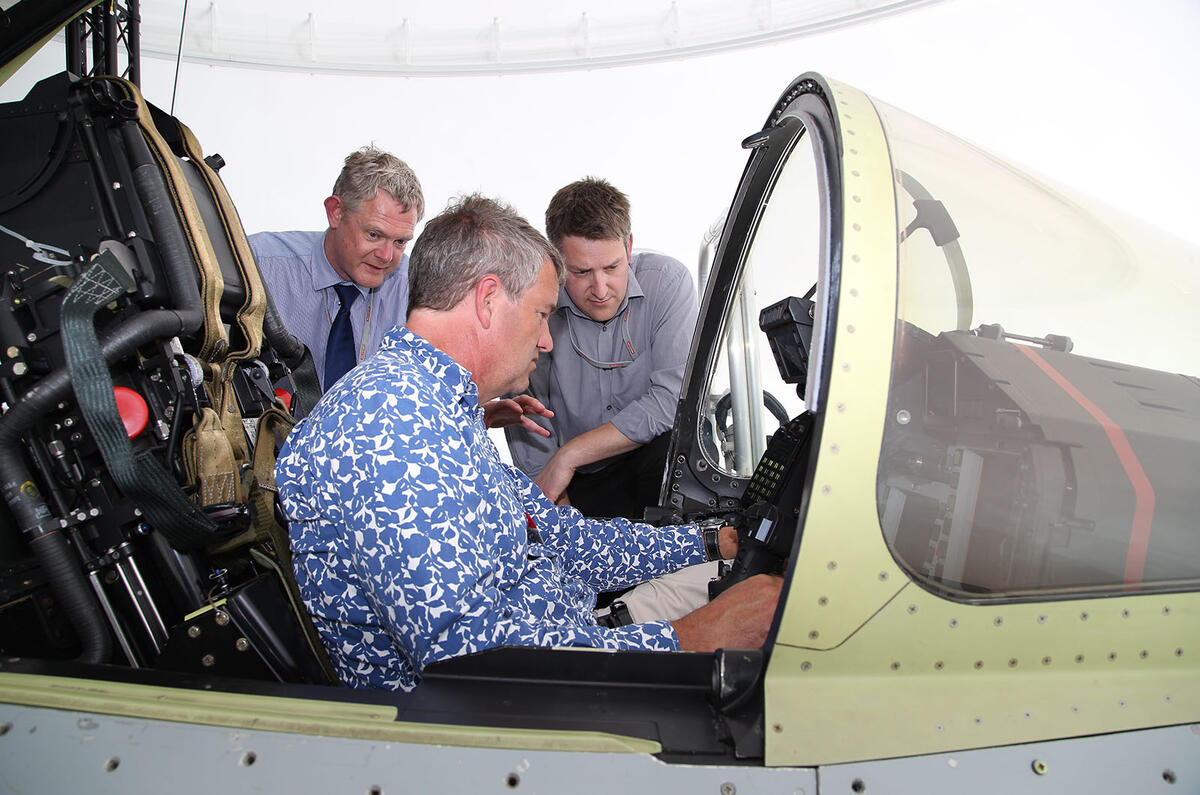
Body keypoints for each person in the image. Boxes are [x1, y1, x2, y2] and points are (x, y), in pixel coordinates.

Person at [275, 194, 781, 691]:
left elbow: (562, 538)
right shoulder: (390, 427)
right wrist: (689, 640)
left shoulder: (441, 411)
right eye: (542, 315)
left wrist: (711, 541)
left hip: (574, 641)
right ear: (489, 299)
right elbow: (478, 664)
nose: (547, 339)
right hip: (518, 712)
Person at [505, 178, 696, 520]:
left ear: (629, 246)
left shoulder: (668, 281)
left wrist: (571, 453)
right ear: (558, 262)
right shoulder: (533, 302)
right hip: (581, 484)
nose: (600, 289)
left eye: (612, 267)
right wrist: (552, 500)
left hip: (657, 463)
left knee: (672, 451)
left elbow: (671, 401)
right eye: (581, 272)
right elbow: (529, 412)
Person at [250, 145, 424, 392]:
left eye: (400, 242)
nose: (386, 256)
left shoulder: (416, 291)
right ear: (335, 212)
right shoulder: (258, 266)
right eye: (374, 234)